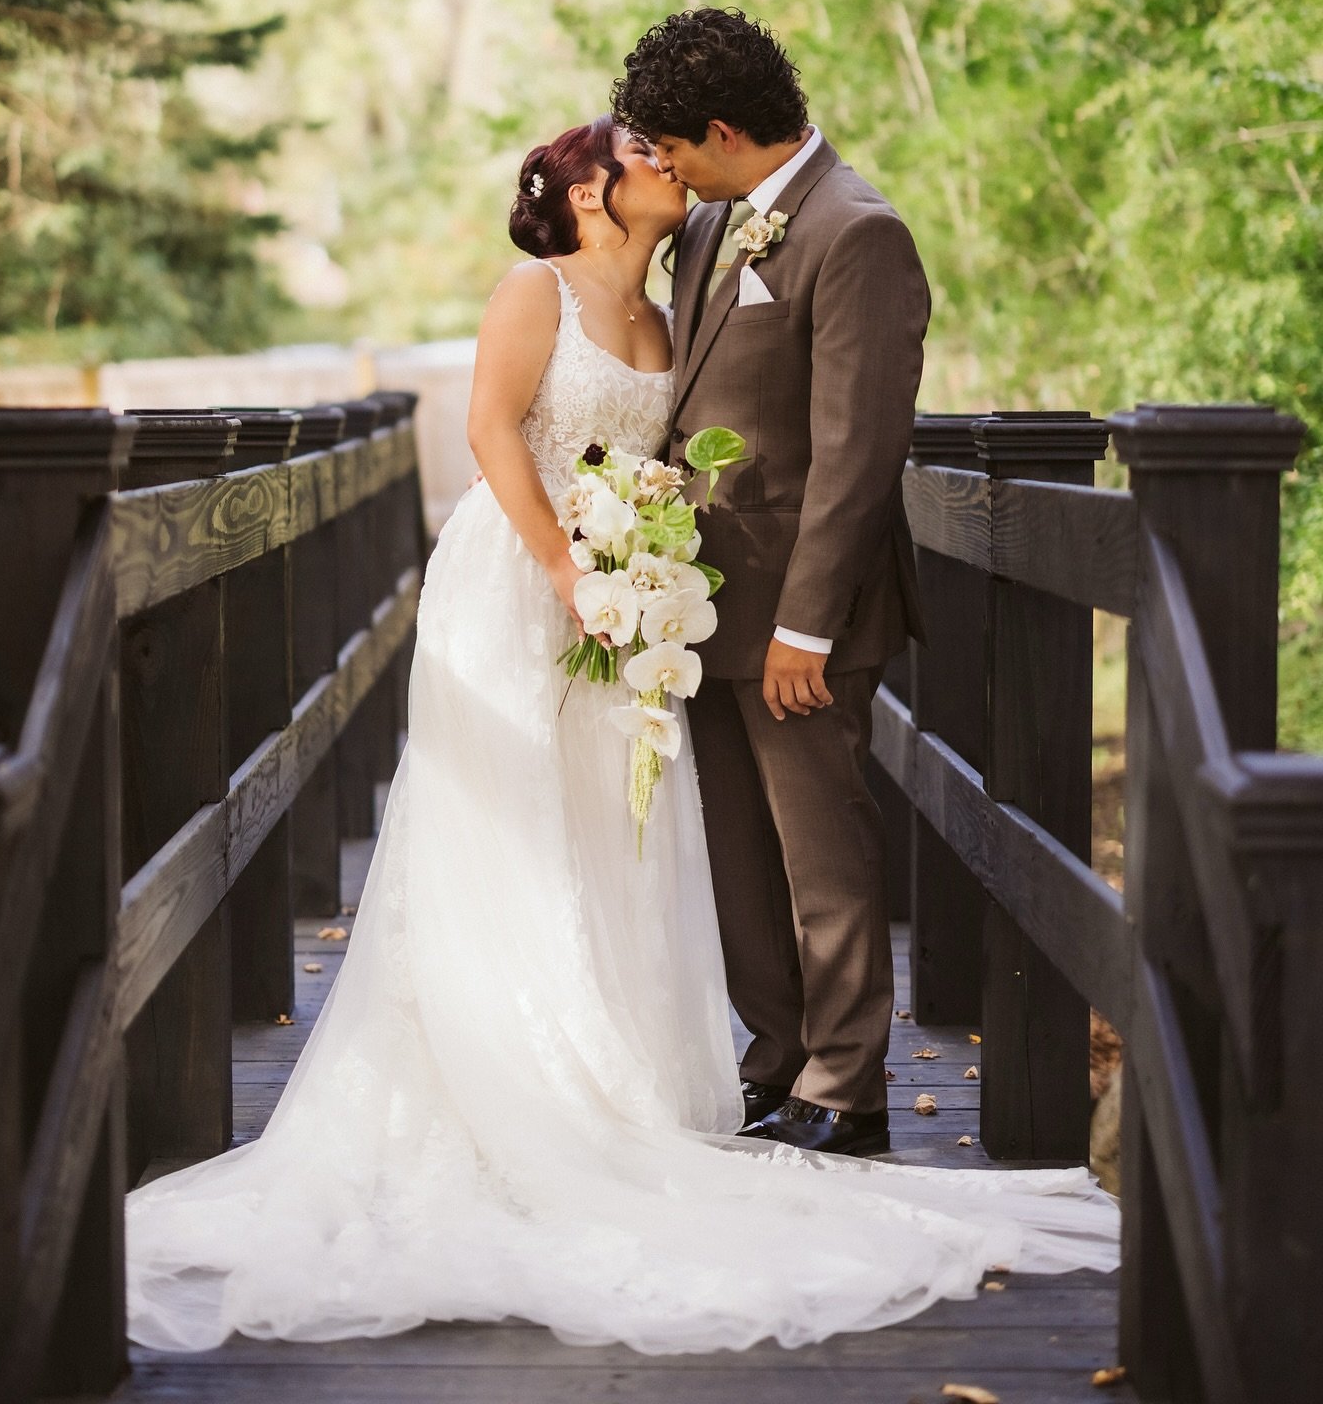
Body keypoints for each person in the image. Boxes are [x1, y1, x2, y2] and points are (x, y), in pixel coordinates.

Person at [125, 112, 1117, 1358]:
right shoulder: (531, 292)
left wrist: (636, 566)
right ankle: (514, 1084)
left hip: (635, 598)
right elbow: (492, 437)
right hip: (519, 588)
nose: (663, 169)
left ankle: (624, 1079)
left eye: (667, 151)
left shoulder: (675, 287)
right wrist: (568, 571)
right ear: (586, 193)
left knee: (618, 823)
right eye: (637, 158)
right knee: (512, 824)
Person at [610, 6, 926, 1156]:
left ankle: (849, 1081)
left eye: (671, 148)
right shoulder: (705, 233)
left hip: (803, 615)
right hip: (701, 604)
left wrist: (809, 626)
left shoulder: (857, 233)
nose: (663, 170)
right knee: (741, 852)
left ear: (725, 130)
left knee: (821, 851)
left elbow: (857, 452)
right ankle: (778, 1053)